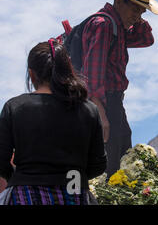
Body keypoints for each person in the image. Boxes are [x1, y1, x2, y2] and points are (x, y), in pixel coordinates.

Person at [0, 40, 106, 205]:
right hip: (74, 192)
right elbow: (98, 164)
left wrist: (19, 178)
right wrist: (74, 177)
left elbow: (1, 160)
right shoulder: (88, 110)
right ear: (66, 71)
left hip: (25, 194)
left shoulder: (14, 107)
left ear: (32, 74)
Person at [81, 0, 158, 178]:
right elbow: (93, 72)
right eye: (134, 8)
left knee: (122, 159)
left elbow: (147, 38)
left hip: (112, 103)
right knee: (112, 165)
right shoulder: (105, 24)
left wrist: (137, 16)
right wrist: (100, 113)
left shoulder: (118, 27)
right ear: (118, 1)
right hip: (102, 103)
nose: (137, 15)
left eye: (142, 10)